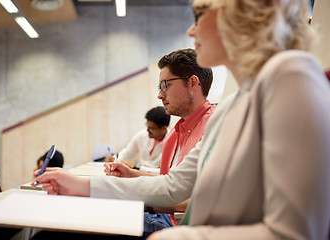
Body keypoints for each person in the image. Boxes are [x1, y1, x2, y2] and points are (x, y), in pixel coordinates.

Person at [34, 0, 330, 238]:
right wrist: (79, 185)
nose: (191, 29)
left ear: (244, 12)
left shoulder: (293, 77)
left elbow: (296, 232)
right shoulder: (230, 107)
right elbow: (173, 185)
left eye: (200, 14)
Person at [104, 48, 215, 233]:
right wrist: (131, 174)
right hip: (166, 217)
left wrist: (146, 202)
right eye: (159, 87)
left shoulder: (214, 128)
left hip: (178, 227)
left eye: (165, 85)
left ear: (193, 83)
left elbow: (205, 201)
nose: (160, 95)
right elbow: (172, 184)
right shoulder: (177, 132)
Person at [104, 106, 170, 174]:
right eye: (147, 126)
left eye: (151, 128)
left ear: (164, 128)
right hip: (138, 174)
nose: (147, 130)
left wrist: (136, 168)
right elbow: (127, 153)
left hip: (157, 179)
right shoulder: (142, 135)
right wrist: (114, 159)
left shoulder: (173, 142)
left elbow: (166, 172)